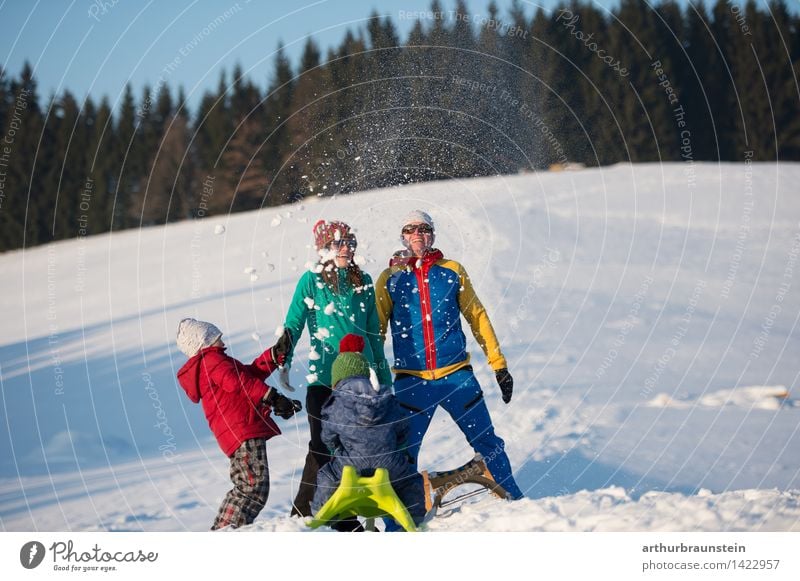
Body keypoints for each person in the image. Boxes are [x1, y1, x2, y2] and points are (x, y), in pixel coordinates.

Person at [375, 210, 524, 500]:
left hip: (457, 377)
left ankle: (516, 502)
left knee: (488, 443)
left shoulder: (452, 269)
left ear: (433, 234)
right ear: (402, 236)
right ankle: (399, 526)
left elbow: (476, 315)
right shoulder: (389, 277)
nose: (417, 233)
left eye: (424, 228)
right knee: (402, 457)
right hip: (411, 384)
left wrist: (499, 366)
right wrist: (370, 378)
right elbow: (376, 330)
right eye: (410, 229)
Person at [281, 220, 393, 520]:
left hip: (359, 382)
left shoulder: (364, 281)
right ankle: (304, 514)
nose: (346, 248)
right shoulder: (311, 280)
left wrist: (383, 378)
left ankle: (348, 511)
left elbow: (373, 334)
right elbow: (294, 322)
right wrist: (285, 360)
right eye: (338, 243)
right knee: (321, 445)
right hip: (322, 380)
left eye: (349, 242)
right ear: (323, 249)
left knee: (355, 449)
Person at [176, 318, 301, 530]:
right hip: (241, 429)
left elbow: (248, 375)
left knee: (250, 485)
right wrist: (271, 396)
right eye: (217, 338)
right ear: (204, 342)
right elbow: (240, 383)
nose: (222, 341)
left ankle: (226, 528)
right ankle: (225, 530)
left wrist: (272, 355)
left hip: (238, 431)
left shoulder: (214, 362)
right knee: (252, 487)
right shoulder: (211, 361)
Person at [312, 334, 425, 530]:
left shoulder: (336, 402)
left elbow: (328, 437)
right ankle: (415, 518)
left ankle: (321, 515)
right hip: (388, 463)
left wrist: (336, 451)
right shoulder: (385, 397)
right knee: (410, 480)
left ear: (337, 380)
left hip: (351, 465)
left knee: (327, 476)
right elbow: (403, 427)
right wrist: (398, 448)